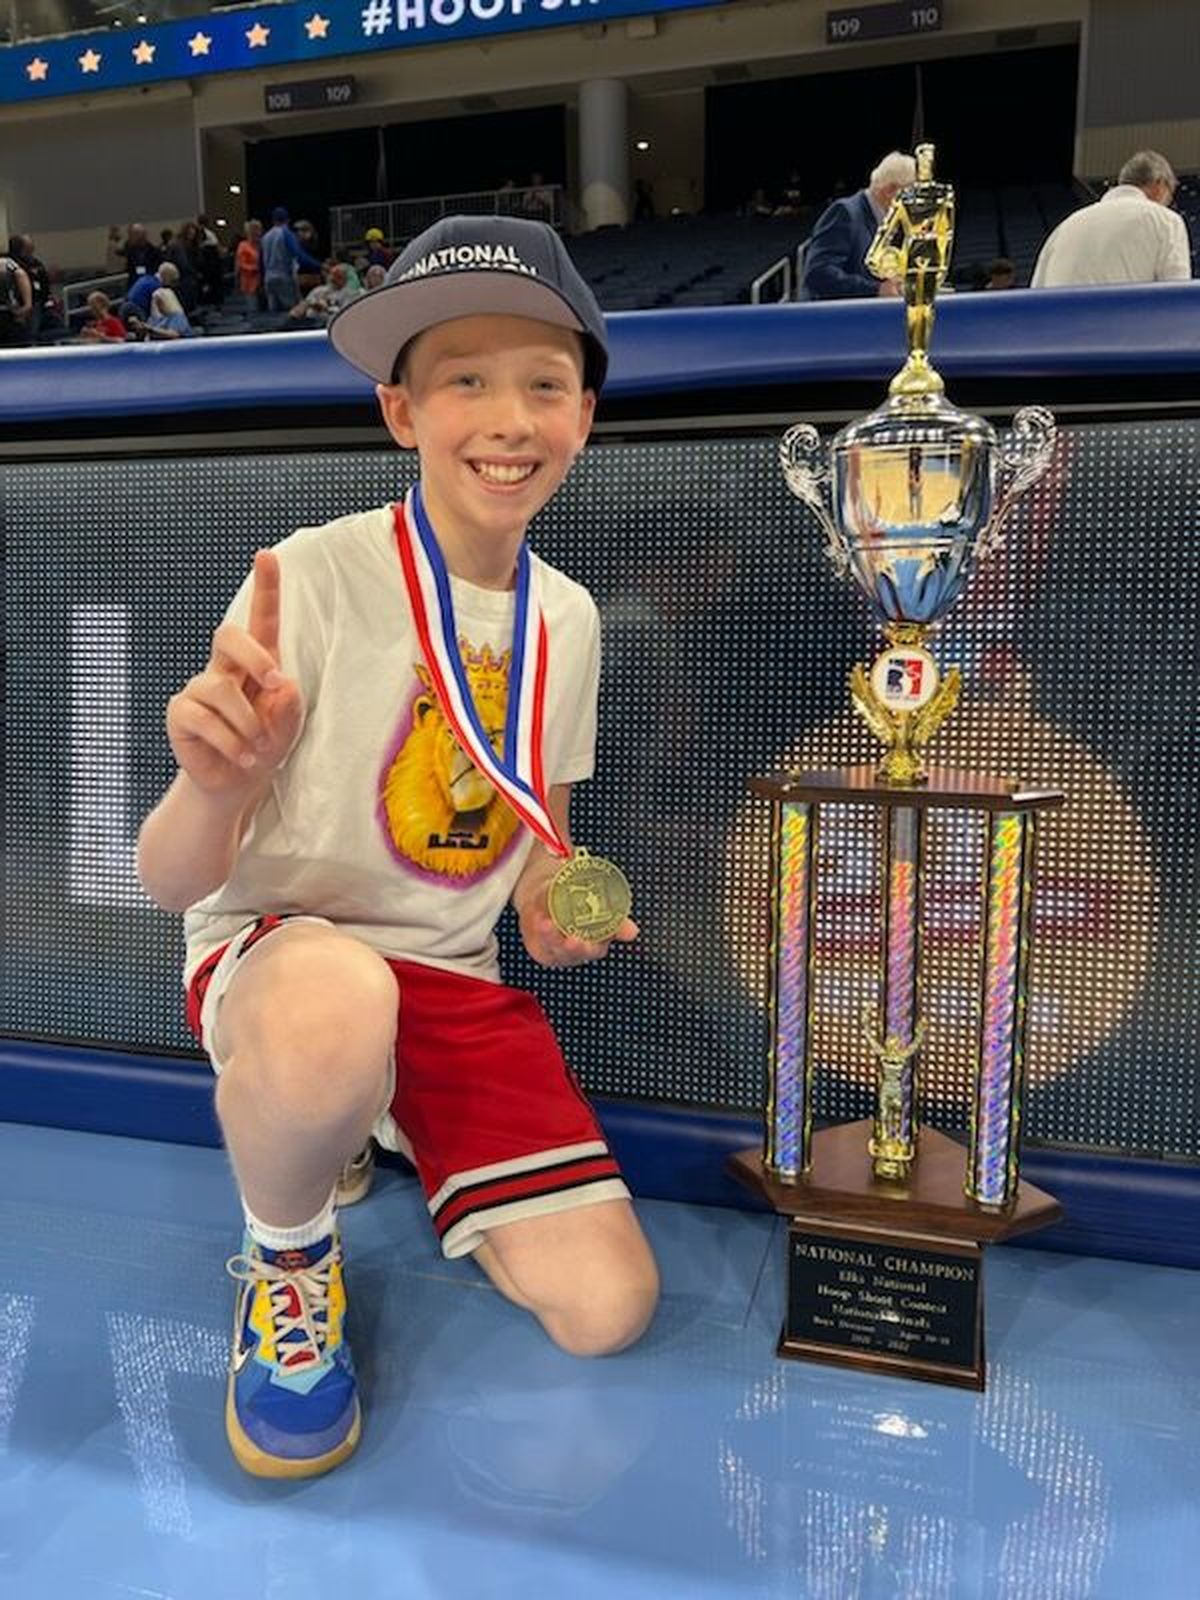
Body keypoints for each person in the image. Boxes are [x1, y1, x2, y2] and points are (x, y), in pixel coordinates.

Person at [135, 213, 658, 1481]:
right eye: (463, 379)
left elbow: (543, 835)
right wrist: (214, 785)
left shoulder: (570, 621)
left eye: (544, 382)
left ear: (584, 417)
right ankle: (290, 1257)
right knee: (334, 1006)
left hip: (449, 978)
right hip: (281, 956)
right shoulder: (308, 576)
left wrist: (557, 905)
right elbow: (169, 878)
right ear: (399, 412)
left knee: (607, 1312)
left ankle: (362, 1121)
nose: (507, 416)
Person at [1031, 150, 1191, 288]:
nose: (1169, 203)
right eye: (1171, 194)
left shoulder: (1065, 226)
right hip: (1126, 321)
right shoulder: (1166, 221)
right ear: (1160, 185)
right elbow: (1175, 296)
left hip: (1061, 322)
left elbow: (1036, 296)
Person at [801, 151, 917, 300]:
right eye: (912, 195)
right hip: (839, 318)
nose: (915, 204)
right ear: (890, 191)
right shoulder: (845, 213)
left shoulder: (888, 221)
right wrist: (875, 289)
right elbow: (819, 273)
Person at [260, 206, 322, 313]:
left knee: (273, 314)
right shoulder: (286, 233)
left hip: (268, 279)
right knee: (292, 312)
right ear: (287, 220)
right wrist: (319, 265)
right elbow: (298, 254)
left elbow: (260, 262)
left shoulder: (265, 237)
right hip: (283, 278)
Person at [0, 247, 33, 347]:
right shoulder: (6, 263)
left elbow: (20, 274)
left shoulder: (5, 263)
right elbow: (20, 274)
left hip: (9, 313)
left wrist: (27, 304)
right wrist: (27, 304)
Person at [235, 220, 263, 302]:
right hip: (249, 283)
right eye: (254, 229)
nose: (257, 232)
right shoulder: (243, 246)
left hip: (263, 284)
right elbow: (241, 264)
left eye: (259, 229)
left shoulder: (262, 244)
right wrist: (255, 268)